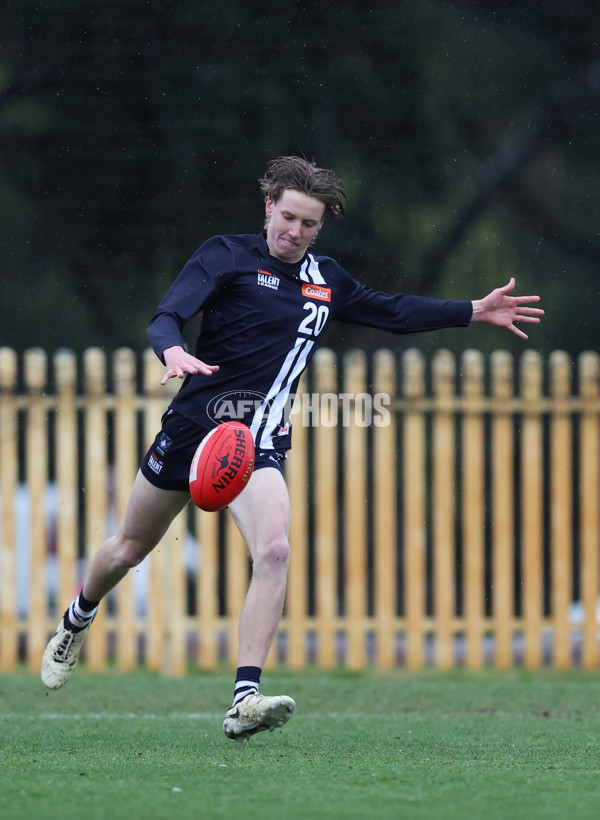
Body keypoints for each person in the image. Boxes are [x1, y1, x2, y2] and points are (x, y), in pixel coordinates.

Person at [41, 156, 544, 740]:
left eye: (308, 223)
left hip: (257, 440)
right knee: (128, 549)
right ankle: (77, 617)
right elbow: (166, 315)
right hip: (193, 428)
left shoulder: (325, 279)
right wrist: (171, 351)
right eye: (287, 217)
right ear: (268, 209)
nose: (294, 231)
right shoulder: (226, 255)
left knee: (275, 550)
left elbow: (392, 310)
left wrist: (471, 311)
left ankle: (244, 698)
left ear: (320, 226)